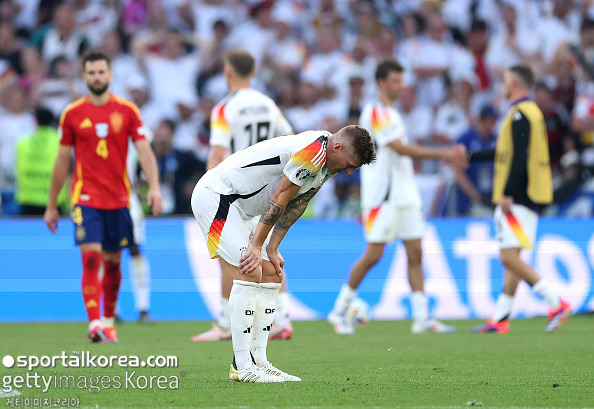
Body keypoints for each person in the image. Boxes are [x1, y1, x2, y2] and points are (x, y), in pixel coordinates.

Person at [191, 125, 375, 382]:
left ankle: (260, 361)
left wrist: (272, 246)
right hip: (217, 197)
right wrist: (256, 245)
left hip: (241, 209)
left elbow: (299, 202)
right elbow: (280, 197)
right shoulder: (311, 152)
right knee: (250, 269)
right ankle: (242, 366)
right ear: (338, 147)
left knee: (272, 273)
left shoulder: (328, 162)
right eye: (350, 164)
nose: (349, 171)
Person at [327, 60, 468, 335]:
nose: (401, 86)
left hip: (405, 194)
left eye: (402, 81)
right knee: (373, 255)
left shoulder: (391, 111)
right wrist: (446, 154)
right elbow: (400, 149)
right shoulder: (377, 111)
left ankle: (421, 318)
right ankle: (339, 310)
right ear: (381, 82)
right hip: (385, 198)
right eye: (395, 81)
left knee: (416, 253)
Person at [43, 52, 162, 343]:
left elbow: (145, 151)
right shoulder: (72, 113)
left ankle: (108, 321)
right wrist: (51, 204)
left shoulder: (128, 110)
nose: (96, 77)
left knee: (113, 263)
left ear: (110, 75)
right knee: (92, 257)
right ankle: (94, 322)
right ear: (84, 77)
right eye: (91, 73)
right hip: (85, 198)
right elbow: (62, 161)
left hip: (119, 199)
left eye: (101, 72)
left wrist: (155, 188)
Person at [191, 49, 295, 342]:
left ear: (227, 72)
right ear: (253, 72)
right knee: (267, 252)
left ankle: (225, 323)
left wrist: (210, 191)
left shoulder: (225, 108)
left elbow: (217, 154)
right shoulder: (269, 105)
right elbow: (290, 140)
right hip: (268, 192)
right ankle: (281, 319)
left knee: (229, 258)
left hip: (234, 195)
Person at [471, 65, 571, 334]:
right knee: (513, 256)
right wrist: (470, 156)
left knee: (507, 257)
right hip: (530, 194)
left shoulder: (519, 114)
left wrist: (508, 192)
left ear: (513, 81)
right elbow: (505, 151)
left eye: (504, 80)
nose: (502, 85)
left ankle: (556, 302)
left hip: (518, 195)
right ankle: (501, 317)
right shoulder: (529, 112)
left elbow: (518, 157)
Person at [15, 107, 69, 216]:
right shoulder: (60, 141)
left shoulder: (22, 142)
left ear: (36, 121)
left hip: (28, 199)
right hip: (54, 200)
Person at [455, 105, 498, 217]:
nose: (492, 124)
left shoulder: (495, 139)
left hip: (491, 196)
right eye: (490, 120)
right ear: (482, 121)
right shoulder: (466, 139)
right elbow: (458, 173)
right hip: (469, 200)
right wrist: (476, 196)